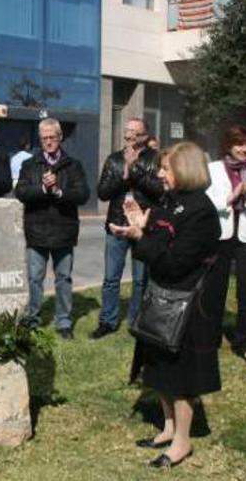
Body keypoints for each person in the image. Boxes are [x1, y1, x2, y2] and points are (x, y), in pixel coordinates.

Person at [111, 141, 221, 469]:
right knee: (157, 368)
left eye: (166, 168)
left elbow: (174, 263)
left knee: (180, 376)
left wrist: (140, 238)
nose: (160, 172)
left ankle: (182, 443)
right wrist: (142, 228)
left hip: (186, 305)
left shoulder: (201, 211)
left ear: (185, 170)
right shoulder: (167, 202)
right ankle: (168, 427)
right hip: (161, 297)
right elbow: (158, 246)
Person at [16, 118, 91, 339]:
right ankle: (32, 319)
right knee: (34, 278)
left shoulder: (73, 165)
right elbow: (21, 193)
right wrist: (42, 187)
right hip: (36, 230)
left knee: (63, 279)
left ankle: (64, 322)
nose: (48, 142)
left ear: (60, 138)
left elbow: (83, 195)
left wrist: (58, 191)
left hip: (64, 230)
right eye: (44, 138)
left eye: (52, 137)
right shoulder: (29, 165)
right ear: (40, 140)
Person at [91, 117, 162, 339]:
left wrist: (135, 170)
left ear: (145, 136)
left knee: (141, 280)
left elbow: (159, 190)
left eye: (135, 132)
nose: (130, 135)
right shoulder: (113, 159)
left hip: (142, 226)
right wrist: (123, 176)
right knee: (111, 278)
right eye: (128, 131)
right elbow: (102, 192)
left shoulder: (155, 159)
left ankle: (136, 321)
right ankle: (108, 321)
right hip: (117, 224)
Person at [205, 124, 246, 361]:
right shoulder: (213, 169)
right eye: (238, 144)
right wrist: (232, 196)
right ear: (228, 145)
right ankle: (210, 338)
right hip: (222, 235)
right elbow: (209, 204)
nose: (244, 149)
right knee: (214, 289)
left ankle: (244, 342)